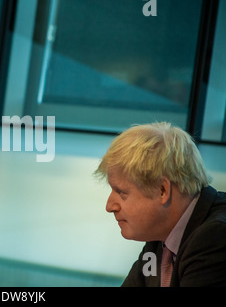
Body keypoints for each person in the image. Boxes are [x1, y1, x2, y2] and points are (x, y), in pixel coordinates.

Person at [94, 122, 226, 287]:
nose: (110, 206)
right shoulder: (160, 237)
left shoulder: (215, 237)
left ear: (162, 190)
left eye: (122, 192)